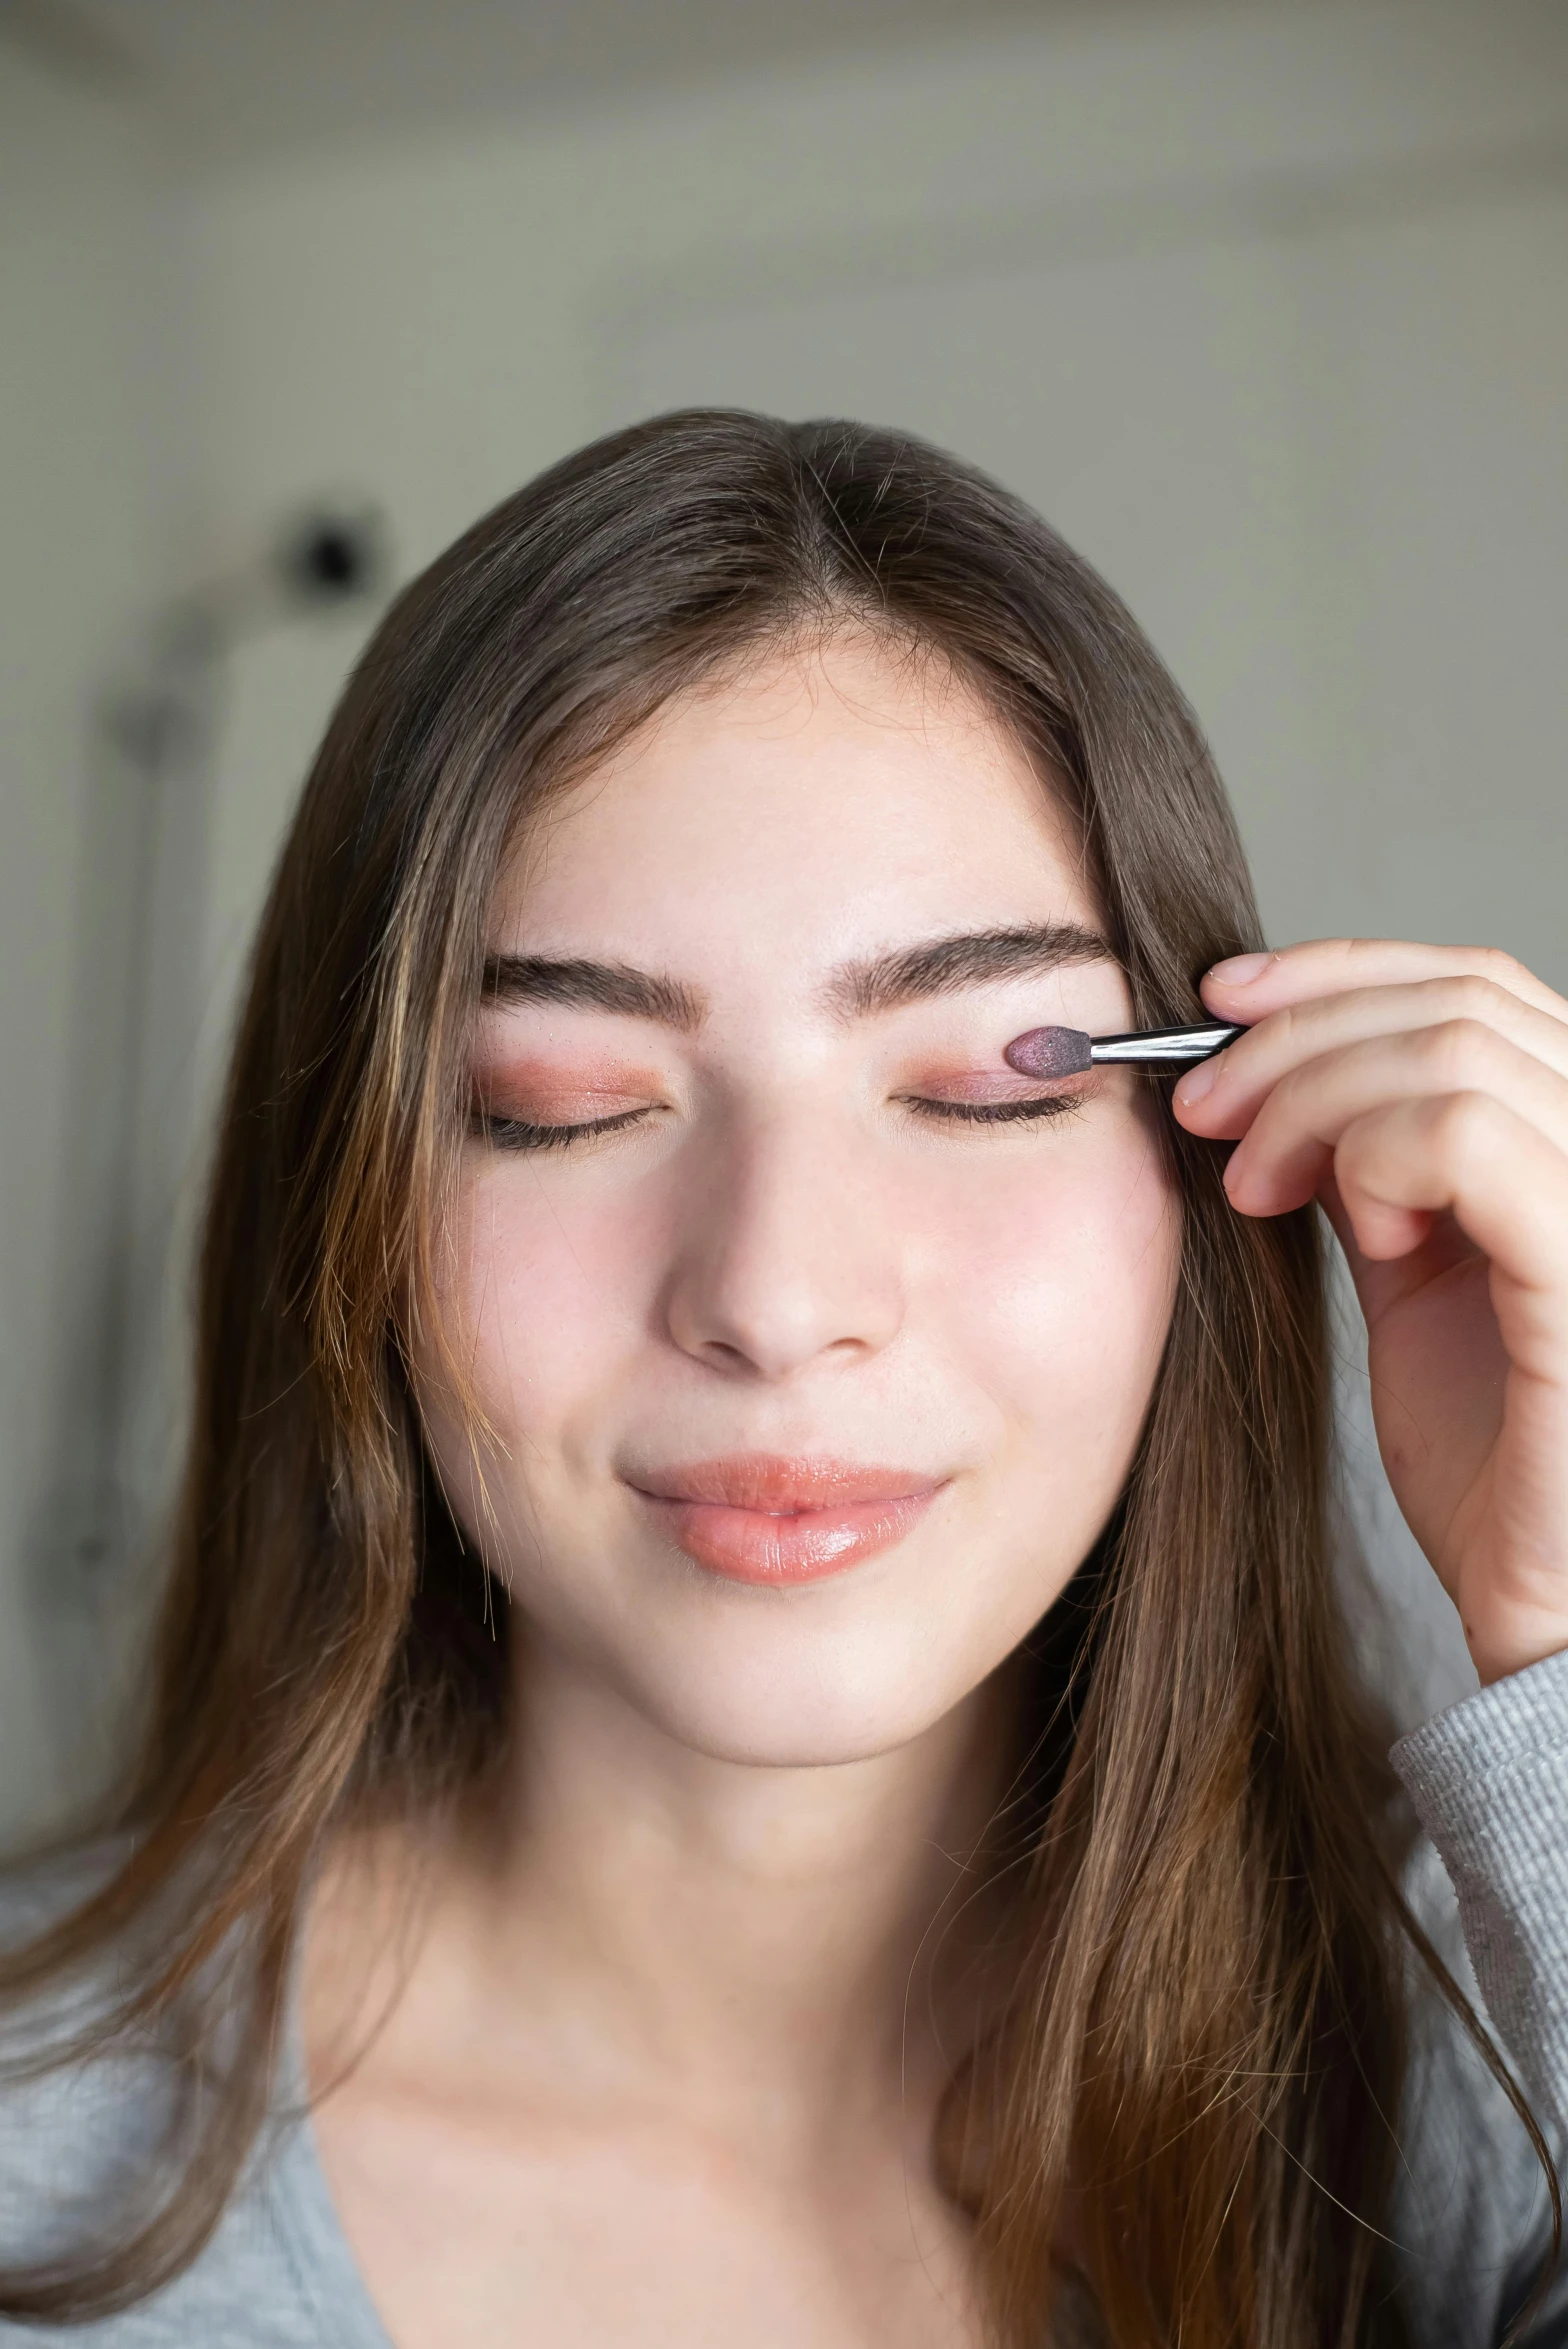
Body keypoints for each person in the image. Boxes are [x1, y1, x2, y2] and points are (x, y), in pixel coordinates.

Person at [2, 411, 1566, 2348]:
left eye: (984, 1085)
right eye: (553, 1109)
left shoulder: (1483, 2100)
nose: (775, 1292)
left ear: (1220, 1163)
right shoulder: (37, 2160)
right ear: (349, 1207)